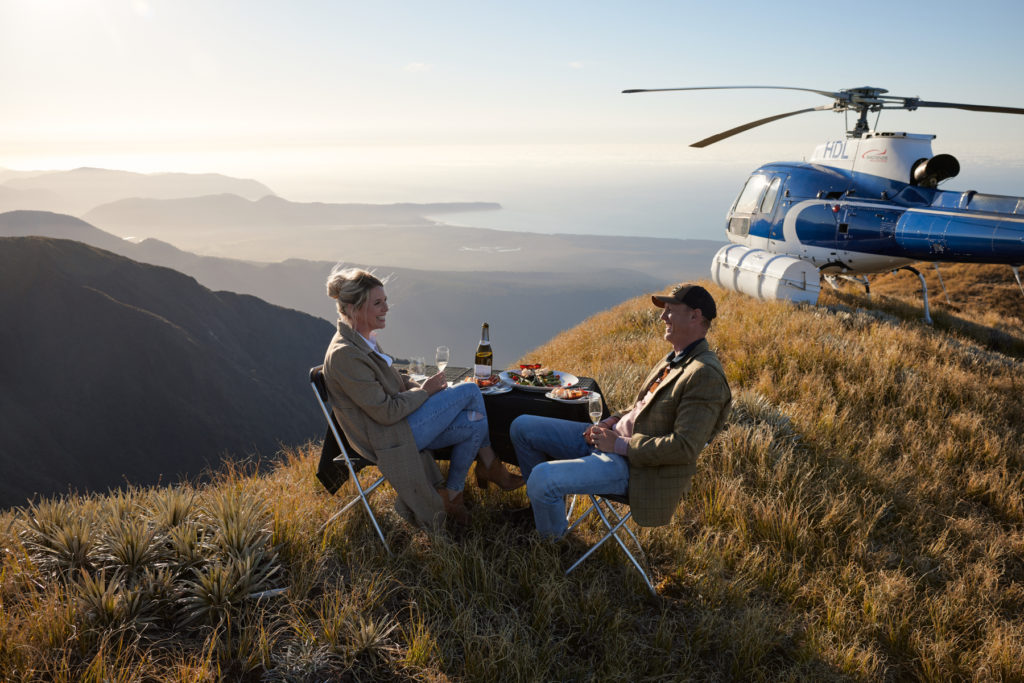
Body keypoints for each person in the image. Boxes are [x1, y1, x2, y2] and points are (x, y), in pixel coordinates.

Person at [510, 283, 732, 538]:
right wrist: (610, 421)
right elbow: (641, 406)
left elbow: (684, 448)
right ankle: (547, 515)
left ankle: (551, 546)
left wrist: (619, 445)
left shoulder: (705, 375)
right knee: (522, 427)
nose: (662, 317)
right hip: (610, 442)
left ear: (695, 315)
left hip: (637, 469)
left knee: (541, 477)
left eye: (670, 310)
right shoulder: (676, 357)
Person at [322, 266, 523, 528]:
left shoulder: (361, 338)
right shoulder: (344, 354)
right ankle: (490, 466)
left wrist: (418, 385)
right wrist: (425, 391)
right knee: (471, 390)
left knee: (474, 422)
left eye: (385, 301)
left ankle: (453, 495)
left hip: (397, 426)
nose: (386, 308)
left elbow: (392, 380)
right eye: (378, 303)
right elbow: (386, 411)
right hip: (385, 436)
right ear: (353, 309)